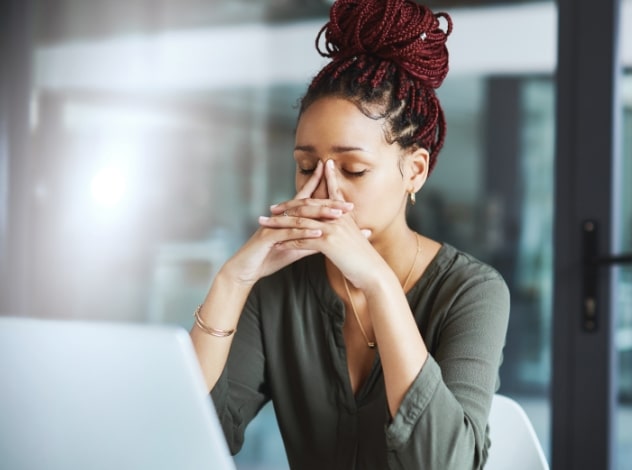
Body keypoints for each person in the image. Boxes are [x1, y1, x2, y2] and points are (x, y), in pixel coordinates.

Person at [188, 1, 511, 468]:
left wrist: (378, 283)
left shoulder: (472, 292)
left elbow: (447, 463)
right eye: (305, 167)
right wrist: (232, 280)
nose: (323, 189)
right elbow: (195, 432)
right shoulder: (278, 287)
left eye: (354, 169)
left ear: (414, 171)